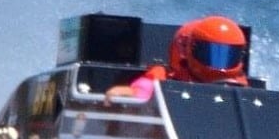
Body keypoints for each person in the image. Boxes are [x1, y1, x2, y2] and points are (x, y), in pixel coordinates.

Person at [106, 15, 250, 100]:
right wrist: (131, 94)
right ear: (187, 50)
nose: (220, 64)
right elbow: (143, 90)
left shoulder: (242, 91)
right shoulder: (163, 81)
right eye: (212, 54)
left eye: (228, 56)